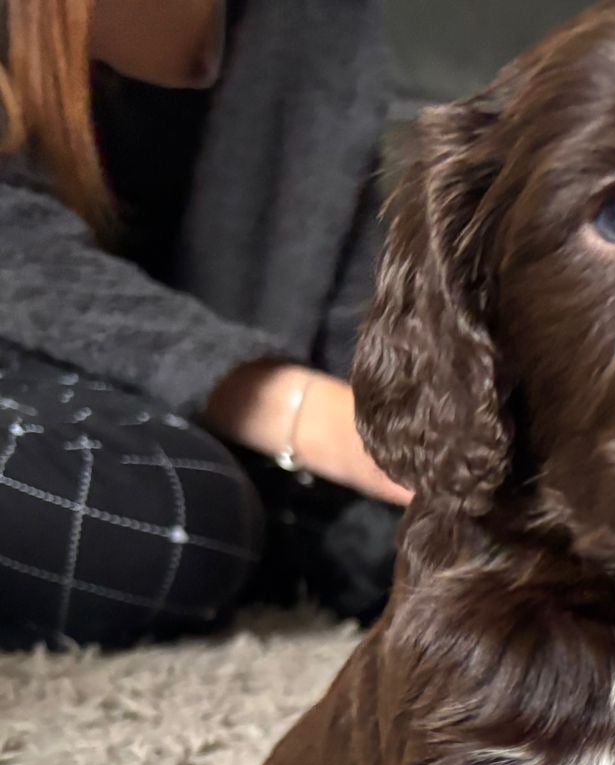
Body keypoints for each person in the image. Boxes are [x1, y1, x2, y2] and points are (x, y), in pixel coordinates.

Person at [0, 0, 403, 650]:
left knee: (400, 539)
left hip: (145, 415)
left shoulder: (311, 22)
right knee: (174, 524)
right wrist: (289, 404)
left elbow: (344, 270)